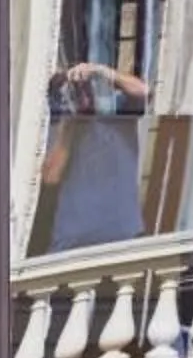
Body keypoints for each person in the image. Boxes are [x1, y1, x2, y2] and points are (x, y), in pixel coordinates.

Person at [39, 57, 149, 252]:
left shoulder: (117, 109)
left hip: (122, 236)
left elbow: (143, 92)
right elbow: (50, 176)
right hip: (72, 239)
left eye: (83, 83)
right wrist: (71, 124)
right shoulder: (57, 121)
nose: (81, 90)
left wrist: (102, 71)